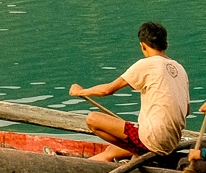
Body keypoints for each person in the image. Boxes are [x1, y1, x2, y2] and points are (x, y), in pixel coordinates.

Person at [70, 21, 190, 162]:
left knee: (92, 119)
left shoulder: (147, 64)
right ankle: (95, 163)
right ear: (166, 45)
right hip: (172, 142)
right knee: (111, 151)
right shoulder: (180, 70)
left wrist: (81, 91)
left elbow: (108, 90)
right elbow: (186, 111)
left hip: (153, 140)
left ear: (143, 46)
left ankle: (138, 152)